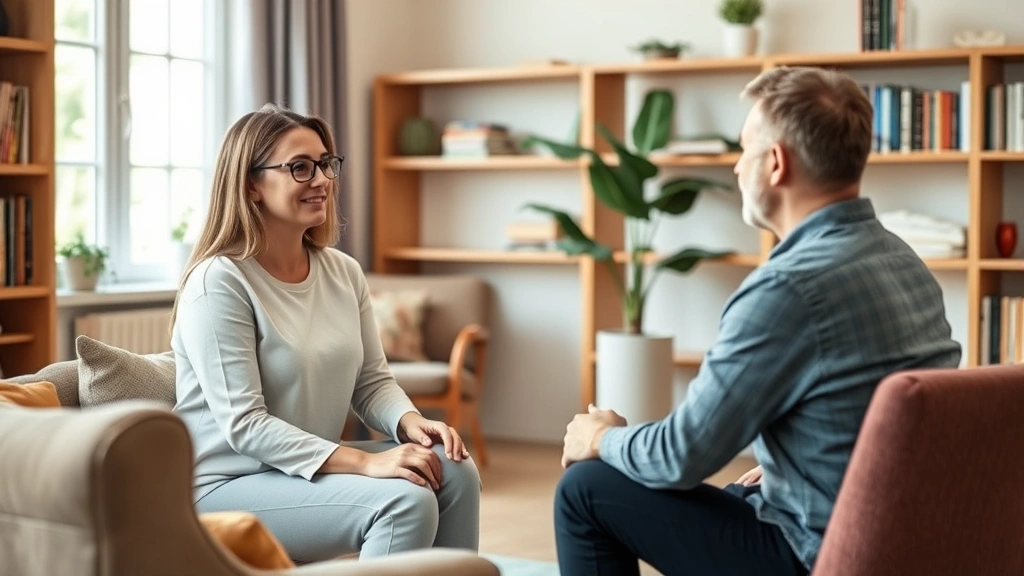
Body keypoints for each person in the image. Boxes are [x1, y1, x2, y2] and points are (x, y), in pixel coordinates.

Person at [554, 66, 962, 575]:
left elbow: (681, 456)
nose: (736, 167)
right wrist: (786, 473)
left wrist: (601, 437)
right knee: (735, 492)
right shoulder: (903, 261)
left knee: (587, 488)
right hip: (904, 541)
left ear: (774, 163)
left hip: (822, 555)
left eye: (745, 149)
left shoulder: (787, 288)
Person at [170, 103, 480, 563]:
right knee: (404, 500)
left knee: (453, 468)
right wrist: (367, 462)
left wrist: (410, 423)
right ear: (251, 185)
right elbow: (245, 425)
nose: (321, 179)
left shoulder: (343, 272)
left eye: (325, 164)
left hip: (303, 469)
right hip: (226, 484)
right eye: (299, 167)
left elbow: (371, 381)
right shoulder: (219, 281)